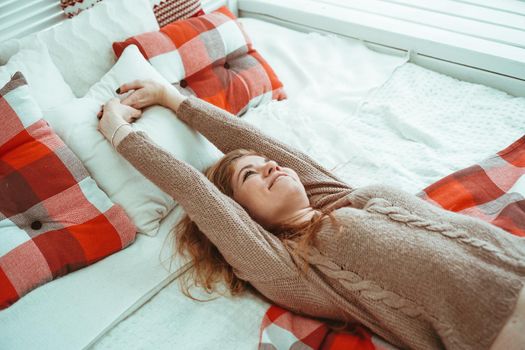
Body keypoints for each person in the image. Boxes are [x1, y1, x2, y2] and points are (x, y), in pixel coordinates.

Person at [97, 80, 525, 350]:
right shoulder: (290, 265)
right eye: (251, 175)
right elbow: (196, 191)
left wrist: (176, 100)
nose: (270, 166)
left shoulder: (334, 198)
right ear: (243, 216)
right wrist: (120, 132)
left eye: (268, 163)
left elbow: (259, 142)